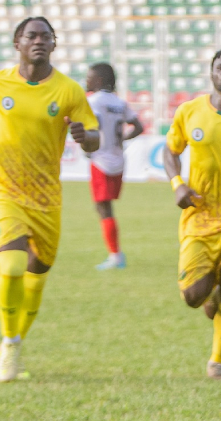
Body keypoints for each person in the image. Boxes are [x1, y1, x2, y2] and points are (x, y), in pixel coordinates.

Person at [0, 17, 99, 382]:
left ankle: (16, 340)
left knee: (36, 278)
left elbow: (94, 136)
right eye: (31, 35)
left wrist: (85, 137)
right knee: (10, 267)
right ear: (17, 43)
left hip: (47, 198)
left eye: (45, 36)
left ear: (54, 44)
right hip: (3, 190)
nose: (39, 40)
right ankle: (9, 343)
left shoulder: (69, 90)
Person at [164, 48, 221, 381]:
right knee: (194, 297)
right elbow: (171, 151)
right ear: (211, 72)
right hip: (199, 216)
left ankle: (217, 362)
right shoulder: (189, 111)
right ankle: (210, 291)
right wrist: (177, 184)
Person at [85, 62, 144, 270]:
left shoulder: (93, 101)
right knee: (105, 206)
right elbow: (138, 126)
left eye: (89, 77)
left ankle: (115, 255)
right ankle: (115, 254)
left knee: (103, 207)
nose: (86, 81)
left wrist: (88, 145)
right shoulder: (119, 102)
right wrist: (121, 140)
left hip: (100, 159)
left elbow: (88, 126)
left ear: (99, 80)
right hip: (118, 159)